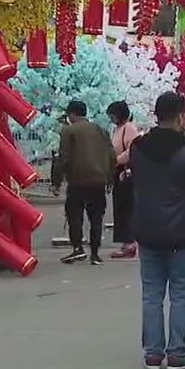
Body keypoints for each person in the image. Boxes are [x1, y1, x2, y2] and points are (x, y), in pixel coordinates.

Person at [129, 92, 185, 369]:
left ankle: (152, 353)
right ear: (181, 116)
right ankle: (176, 353)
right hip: (182, 232)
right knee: (180, 294)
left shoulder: (138, 149)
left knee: (151, 293)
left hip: (147, 228)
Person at [50, 100, 116, 265]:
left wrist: (56, 182)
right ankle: (95, 253)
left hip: (78, 180)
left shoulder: (68, 130)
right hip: (99, 180)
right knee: (96, 217)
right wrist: (110, 178)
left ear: (72, 114)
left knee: (75, 215)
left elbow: (63, 157)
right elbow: (111, 155)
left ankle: (78, 248)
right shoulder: (101, 130)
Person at [107, 101, 140, 259]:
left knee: (126, 208)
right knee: (120, 207)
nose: (111, 118)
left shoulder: (129, 128)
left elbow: (132, 149)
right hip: (119, 169)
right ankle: (126, 242)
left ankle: (129, 243)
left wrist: (117, 160)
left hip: (125, 171)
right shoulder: (119, 129)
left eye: (113, 115)